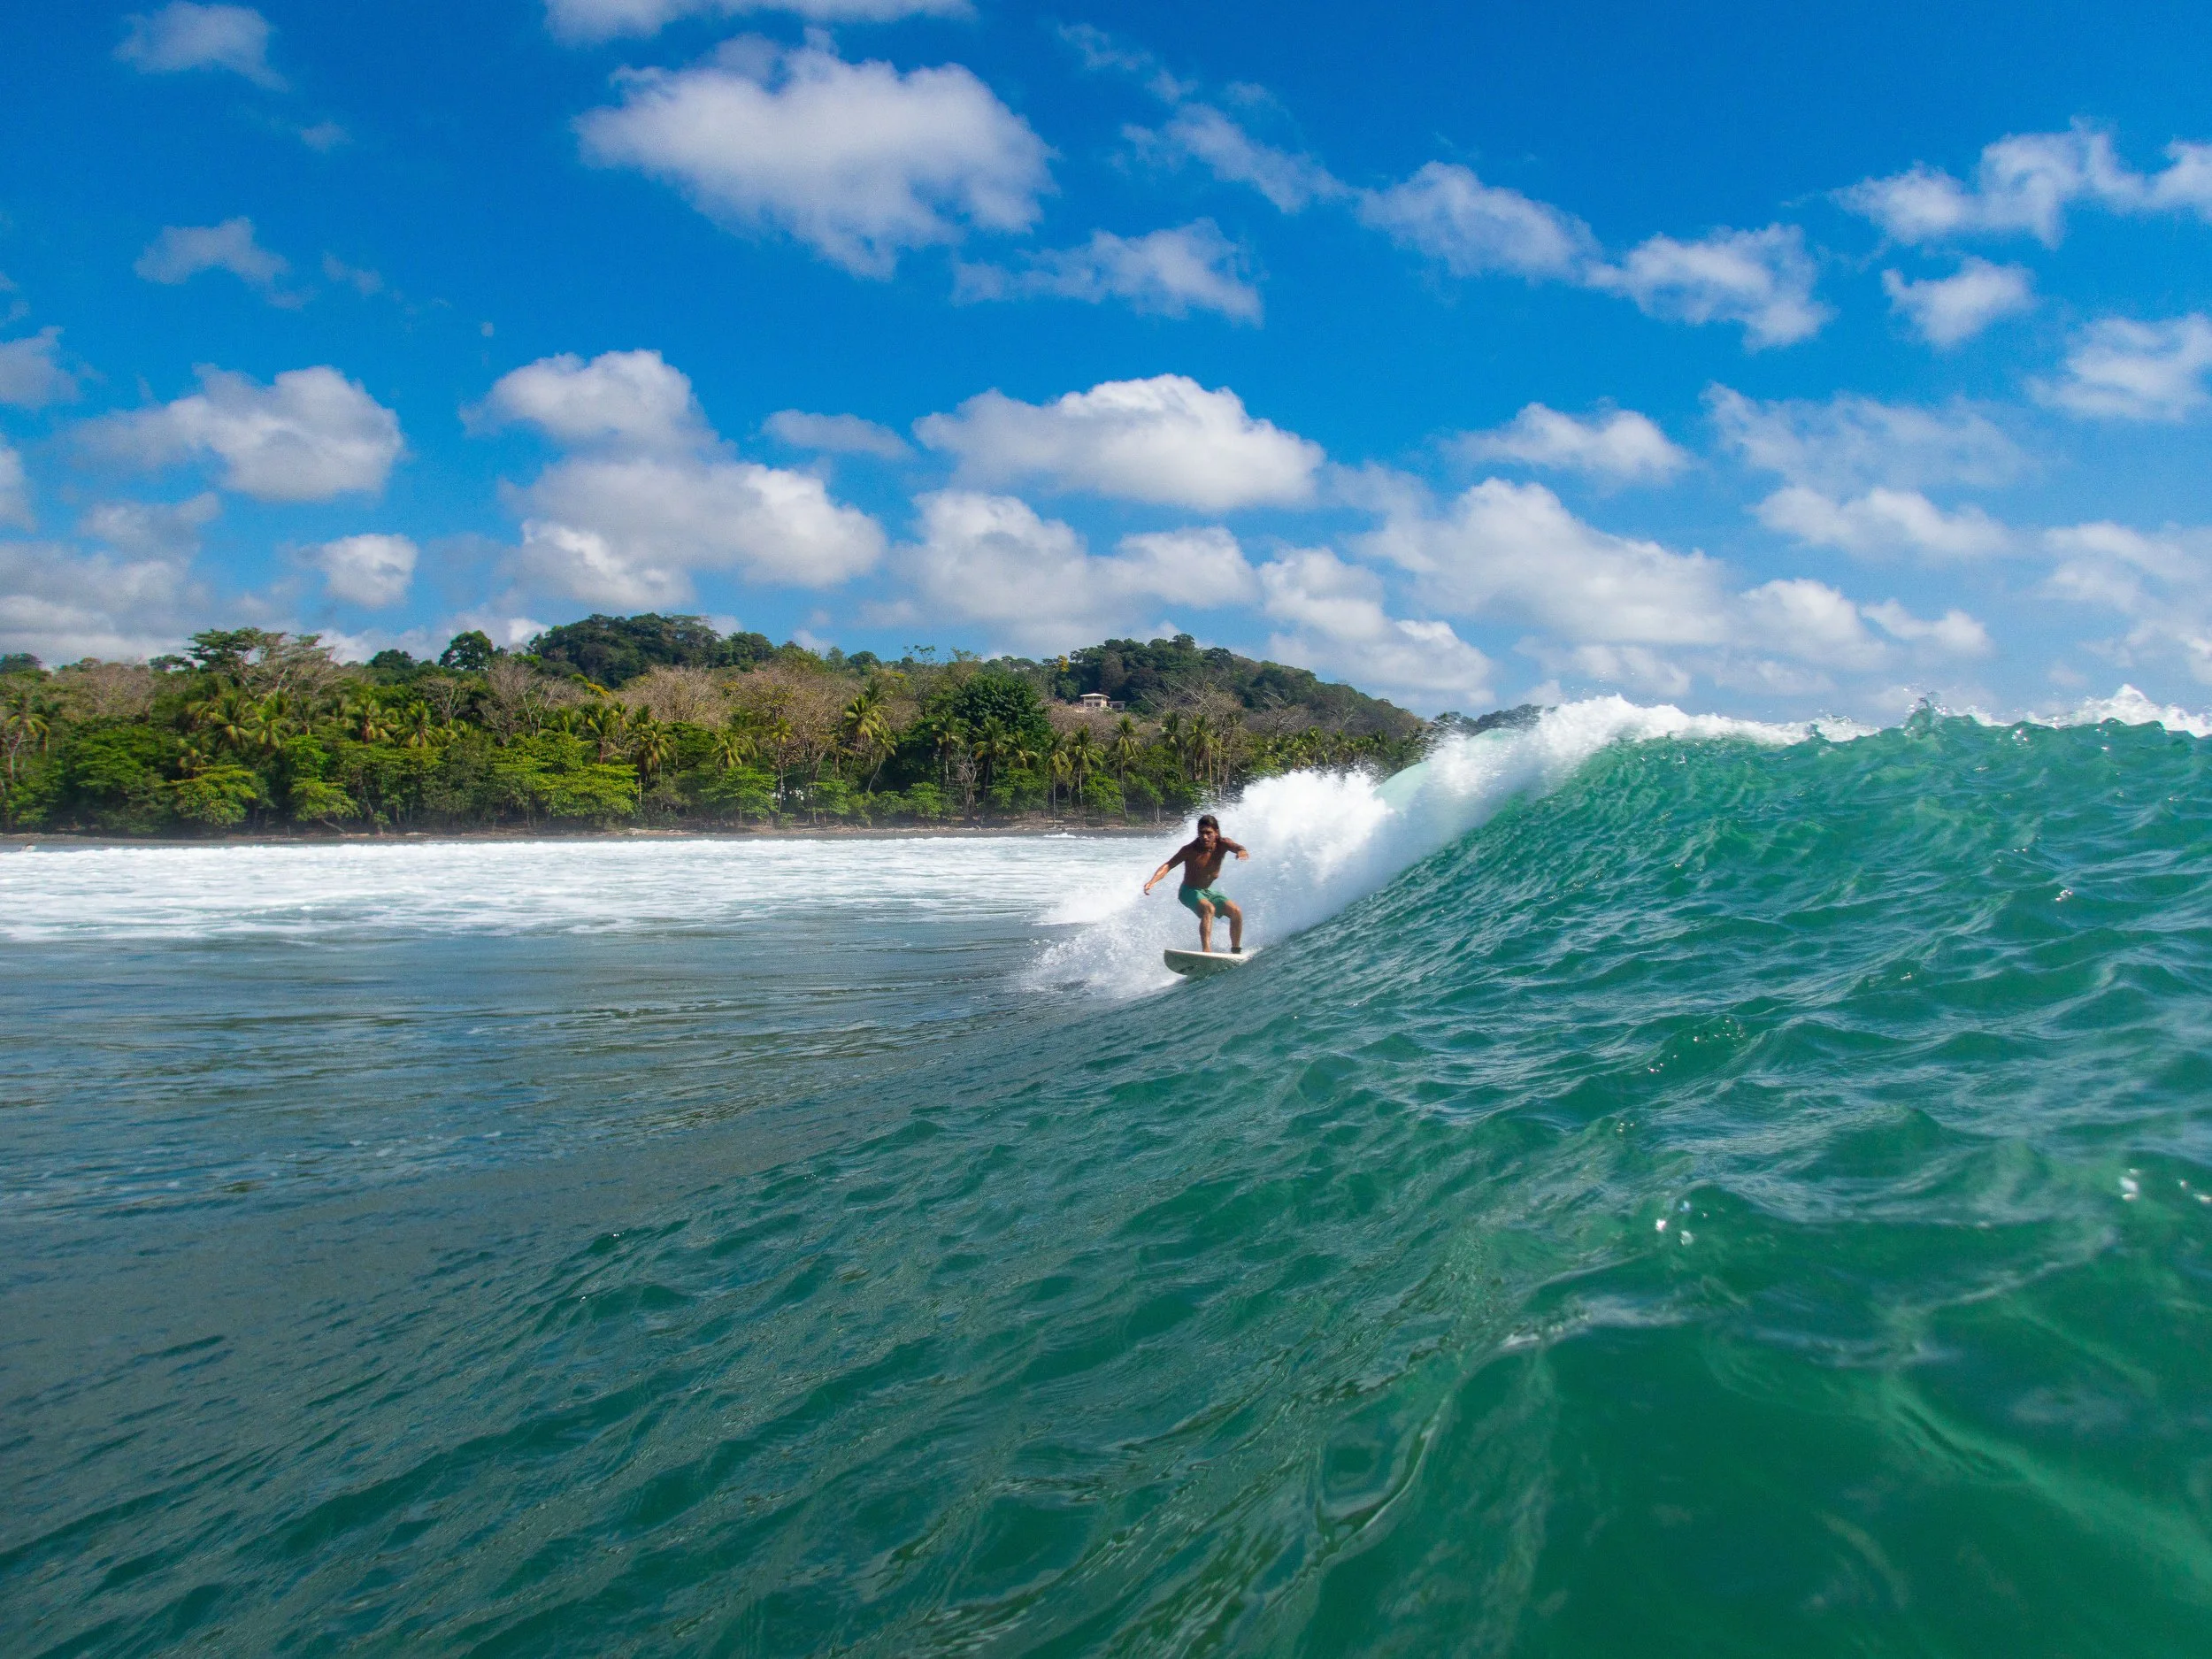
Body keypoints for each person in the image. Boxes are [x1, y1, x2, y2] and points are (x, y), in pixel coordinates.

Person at [1145, 813, 1249, 954]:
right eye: (1201, 833)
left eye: (1208, 833)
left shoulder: (1223, 844)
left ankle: (1236, 951)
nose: (1204, 837)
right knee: (1209, 909)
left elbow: (1237, 847)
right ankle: (1206, 952)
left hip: (1207, 891)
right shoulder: (1190, 850)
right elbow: (1169, 865)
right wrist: (1153, 881)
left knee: (1236, 911)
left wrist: (1241, 851)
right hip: (1188, 891)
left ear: (1216, 833)